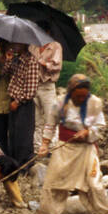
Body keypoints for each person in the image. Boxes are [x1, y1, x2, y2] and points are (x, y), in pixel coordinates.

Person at [35, 74, 108, 214]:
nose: (81, 99)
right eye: (78, 96)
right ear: (71, 92)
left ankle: (105, 213)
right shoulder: (59, 103)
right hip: (65, 147)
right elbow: (50, 125)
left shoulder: (95, 103)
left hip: (86, 148)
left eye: (84, 96)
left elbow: (100, 126)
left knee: (94, 182)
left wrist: (87, 132)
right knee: (53, 181)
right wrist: (45, 144)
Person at [4, 40, 40, 170]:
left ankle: (24, 165)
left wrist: (17, 101)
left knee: (23, 135)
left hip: (23, 103)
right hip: (14, 100)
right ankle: (15, 164)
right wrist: (8, 60)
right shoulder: (17, 60)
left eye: (17, 45)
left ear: (25, 44)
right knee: (13, 134)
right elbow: (6, 74)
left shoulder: (32, 62)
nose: (14, 47)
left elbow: (31, 90)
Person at [32, 24, 65, 154]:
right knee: (36, 119)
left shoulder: (56, 46)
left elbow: (57, 66)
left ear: (48, 32)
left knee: (51, 117)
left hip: (47, 85)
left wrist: (44, 63)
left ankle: (53, 148)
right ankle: (37, 147)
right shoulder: (33, 46)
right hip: (34, 84)